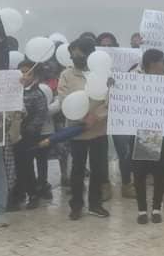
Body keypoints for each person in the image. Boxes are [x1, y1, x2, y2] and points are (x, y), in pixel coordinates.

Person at [58, 37, 111, 220]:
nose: (75, 57)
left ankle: (96, 204)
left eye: (79, 54)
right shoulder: (66, 75)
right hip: (76, 130)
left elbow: (110, 99)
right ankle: (76, 205)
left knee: (99, 169)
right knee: (77, 170)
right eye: (72, 54)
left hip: (98, 129)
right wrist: (81, 118)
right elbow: (64, 99)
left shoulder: (103, 73)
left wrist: (95, 117)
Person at [130, 49, 164, 225]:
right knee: (140, 173)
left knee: (160, 172)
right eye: (162, 62)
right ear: (152, 64)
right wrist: (113, 86)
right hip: (141, 132)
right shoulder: (134, 78)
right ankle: (142, 210)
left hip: (162, 131)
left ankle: (156, 209)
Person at [97, 31, 135, 200]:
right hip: (100, 113)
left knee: (124, 151)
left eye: (109, 45)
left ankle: (127, 183)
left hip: (121, 113)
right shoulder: (94, 67)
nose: (106, 49)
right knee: (102, 151)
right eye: (103, 46)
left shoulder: (127, 66)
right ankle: (105, 185)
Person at [14, 60, 51, 210]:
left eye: (28, 72)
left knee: (27, 165)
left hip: (29, 135)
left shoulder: (37, 93)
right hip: (14, 134)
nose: (24, 75)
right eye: (21, 72)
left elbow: (41, 114)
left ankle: (33, 193)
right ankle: (18, 193)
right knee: (17, 166)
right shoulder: (14, 90)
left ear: (34, 75)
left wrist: (29, 129)